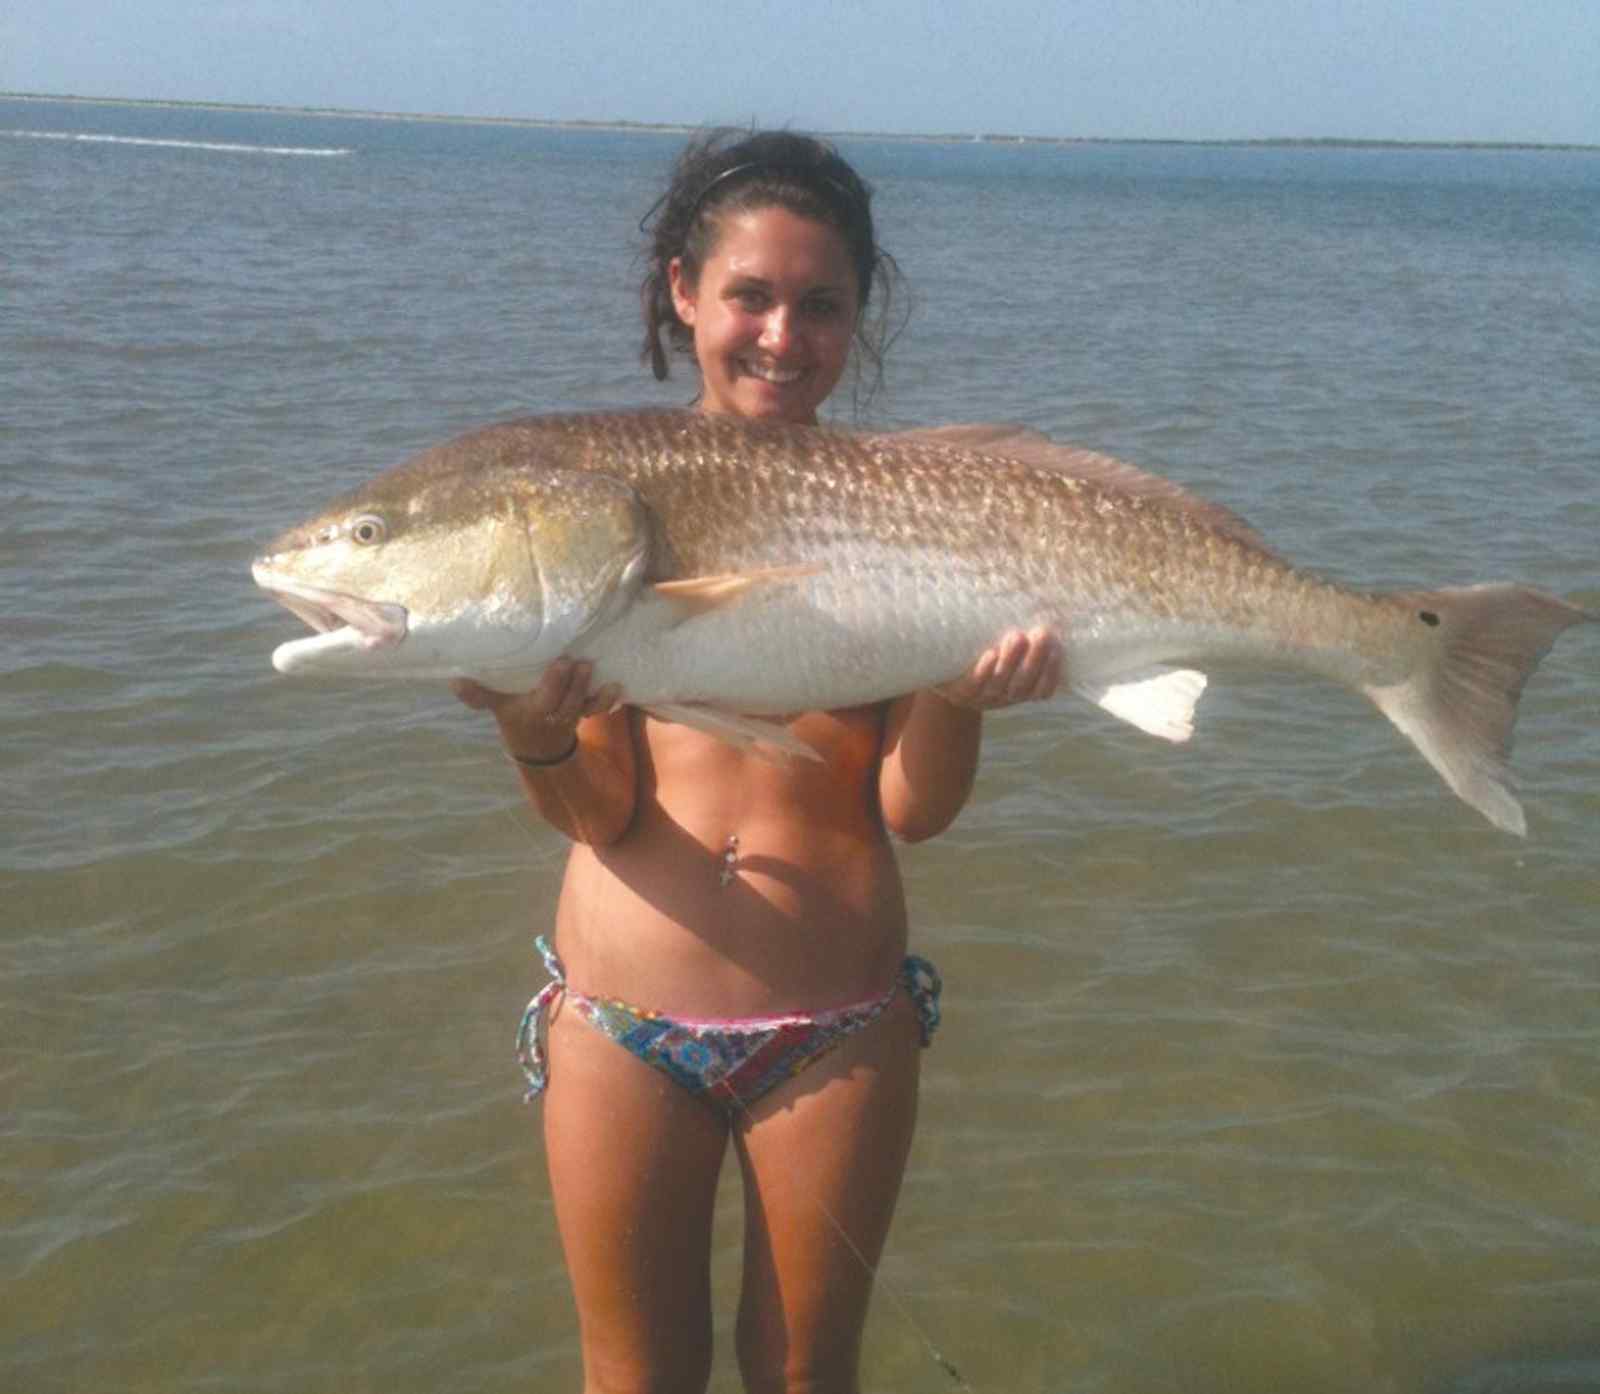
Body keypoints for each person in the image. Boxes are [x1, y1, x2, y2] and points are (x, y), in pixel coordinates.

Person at [454, 130, 1061, 1394]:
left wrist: (961, 690)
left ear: (857, 316)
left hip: (836, 1027)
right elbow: (600, 810)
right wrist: (531, 725)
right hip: (622, 1023)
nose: (783, 335)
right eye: (751, 295)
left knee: (804, 1373)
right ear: (684, 292)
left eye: (820, 304)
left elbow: (913, 807)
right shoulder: (606, 496)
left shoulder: (907, 509)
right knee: (634, 1378)